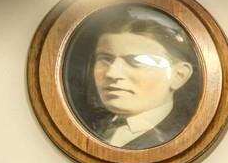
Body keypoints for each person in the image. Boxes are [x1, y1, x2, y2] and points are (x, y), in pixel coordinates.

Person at [79, 11, 198, 149]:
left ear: (179, 75)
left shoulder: (184, 134)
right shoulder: (89, 125)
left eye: (136, 61)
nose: (112, 73)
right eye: (105, 59)